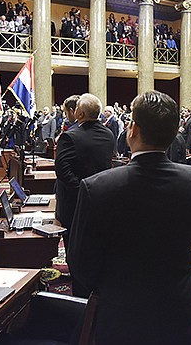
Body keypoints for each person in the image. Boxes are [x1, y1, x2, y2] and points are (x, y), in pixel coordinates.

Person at [67, 91, 191, 345]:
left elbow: (79, 261)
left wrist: (110, 287)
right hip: (177, 306)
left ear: (133, 130)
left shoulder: (96, 187)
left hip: (120, 311)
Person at [54, 93, 114, 258]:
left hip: (74, 201)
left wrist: (82, 190)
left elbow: (62, 171)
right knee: (95, 244)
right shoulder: (109, 135)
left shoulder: (69, 137)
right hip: (101, 198)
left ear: (79, 114)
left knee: (74, 247)